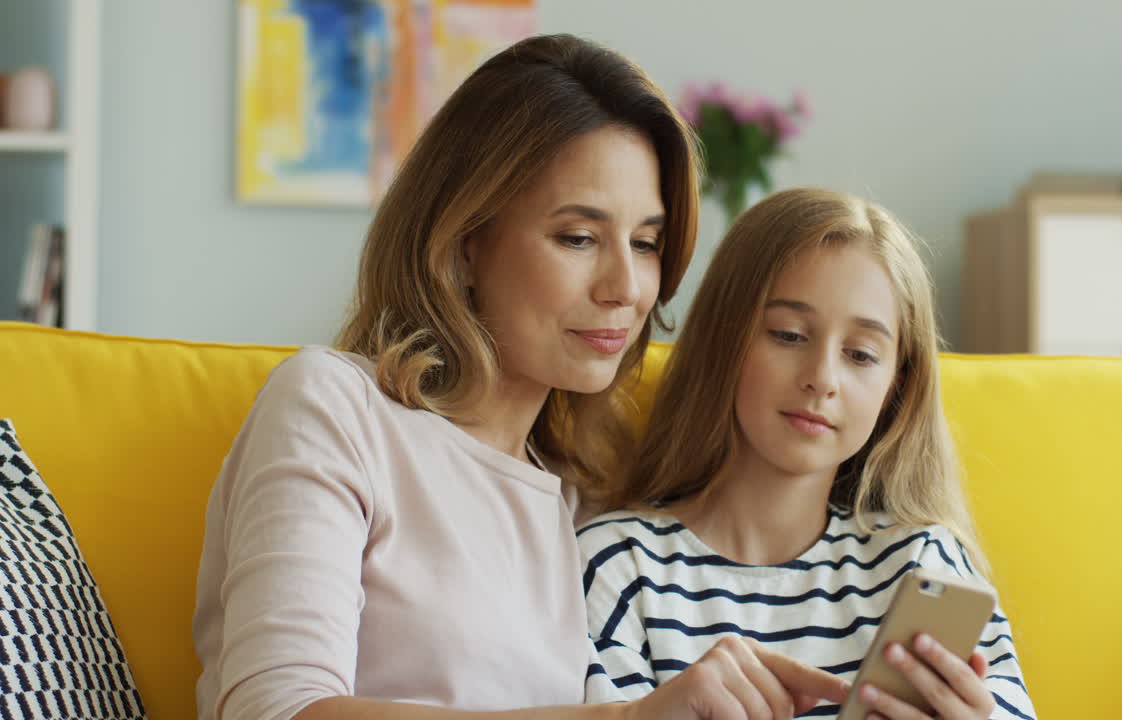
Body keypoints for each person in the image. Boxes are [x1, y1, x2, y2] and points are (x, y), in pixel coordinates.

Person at [193, 35, 850, 720]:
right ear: (465, 240)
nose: (626, 287)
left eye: (647, 244)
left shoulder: (592, 499)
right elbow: (274, 709)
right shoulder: (334, 407)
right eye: (578, 237)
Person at [578, 189, 1037, 719]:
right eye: (789, 335)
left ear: (896, 387)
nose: (822, 378)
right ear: (724, 338)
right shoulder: (619, 566)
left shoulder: (923, 564)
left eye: (861, 355)